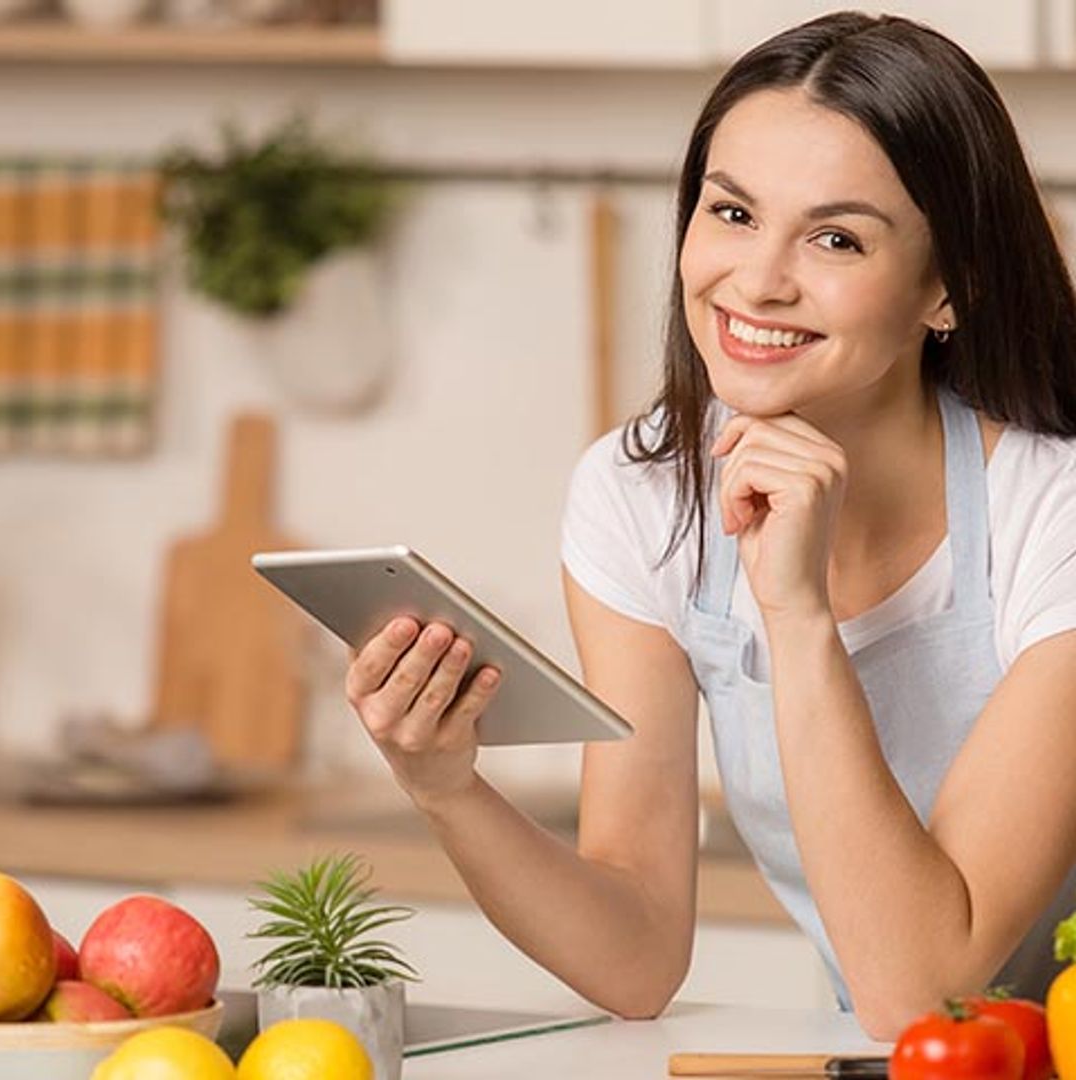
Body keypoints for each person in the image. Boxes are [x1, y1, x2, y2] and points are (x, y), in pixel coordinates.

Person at [345, 11, 1076, 1039]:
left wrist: (801, 616)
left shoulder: (1052, 512)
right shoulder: (643, 497)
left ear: (948, 288)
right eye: (732, 215)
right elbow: (637, 956)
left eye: (835, 238)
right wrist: (448, 786)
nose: (758, 280)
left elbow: (922, 991)